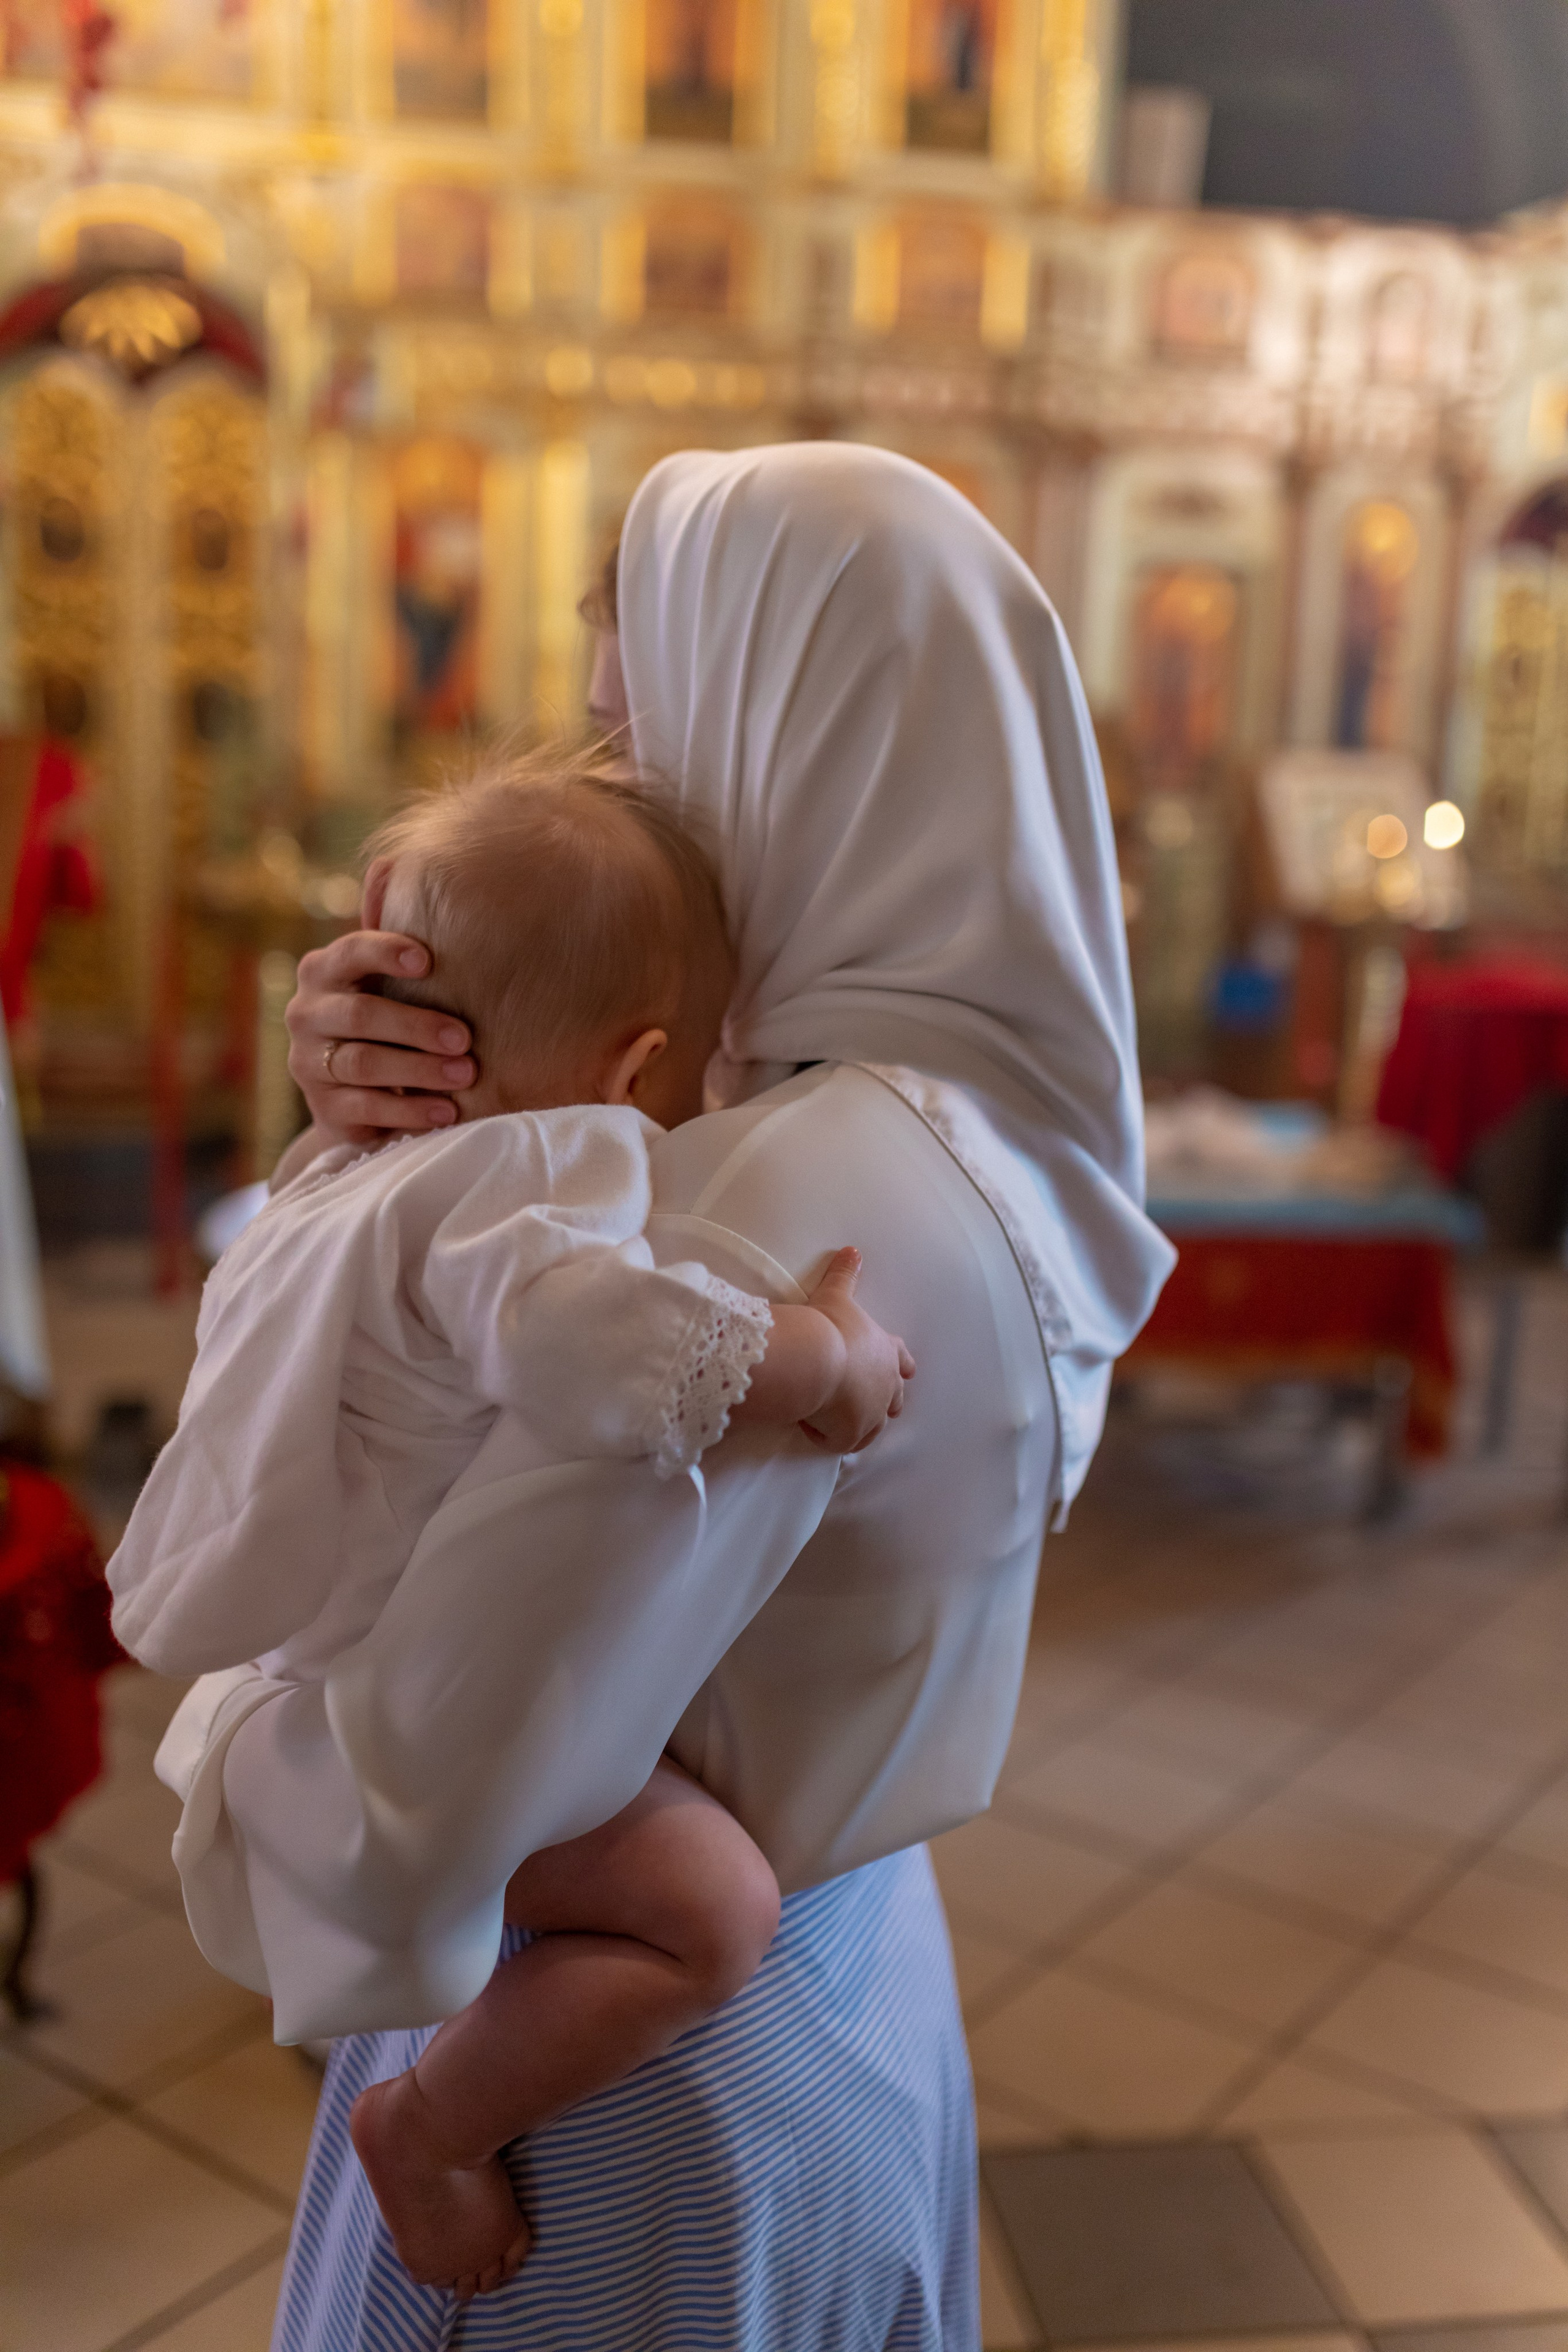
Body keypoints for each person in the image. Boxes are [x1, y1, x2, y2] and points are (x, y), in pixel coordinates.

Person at [190, 445, 1172, 2350]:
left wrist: (226, 1731)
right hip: (846, 1974)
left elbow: (395, 1713)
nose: (611, 804)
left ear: (795, 744)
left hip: (606, 2108)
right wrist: (380, 1115)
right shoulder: (963, 1125)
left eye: (645, 749)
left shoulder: (749, 1206)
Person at [108, 756, 912, 2301]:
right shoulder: (535, 1167)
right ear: (638, 1067)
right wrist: (824, 1362)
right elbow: (585, 1344)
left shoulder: (346, 1169)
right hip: (402, 1724)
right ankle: (431, 2133)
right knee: (712, 1913)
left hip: (327, 1666)